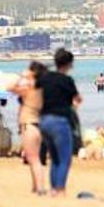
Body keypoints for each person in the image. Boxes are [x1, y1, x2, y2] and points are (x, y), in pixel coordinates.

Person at [38, 48, 82, 196]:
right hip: (59, 121)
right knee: (64, 159)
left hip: (44, 120)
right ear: (68, 64)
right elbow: (78, 99)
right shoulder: (67, 80)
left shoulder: (45, 78)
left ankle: (53, 189)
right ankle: (60, 189)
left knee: (55, 158)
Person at [8, 60, 46, 194]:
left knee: (33, 159)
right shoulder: (41, 90)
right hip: (37, 125)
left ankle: (40, 187)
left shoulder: (29, 89)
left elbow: (9, 87)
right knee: (33, 158)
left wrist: (21, 76)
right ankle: (36, 187)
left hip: (29, 125)